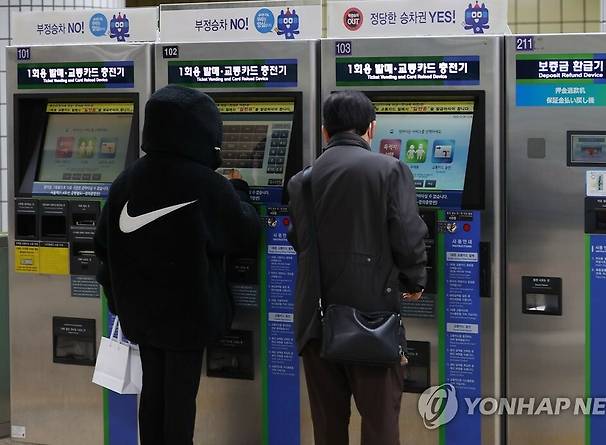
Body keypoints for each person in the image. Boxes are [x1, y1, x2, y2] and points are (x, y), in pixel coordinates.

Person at [94, 85, 260, 445]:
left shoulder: (126, 181)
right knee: (181, 400)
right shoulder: (206, 184)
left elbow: (102, 245)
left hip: (140, 313)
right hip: (188, 315)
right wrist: (240, 191)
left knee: (153, 392)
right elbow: (244, 232)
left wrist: (120, 298)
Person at [286, 91, 428, 445]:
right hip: (372, 322)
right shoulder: (390, 169)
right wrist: (414, 280)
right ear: (371, 129)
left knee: (328, 428)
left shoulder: (302, 180)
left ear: (325, 132)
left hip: (316, 322)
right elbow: (407, 234)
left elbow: (299, 239)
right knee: (380, 425)